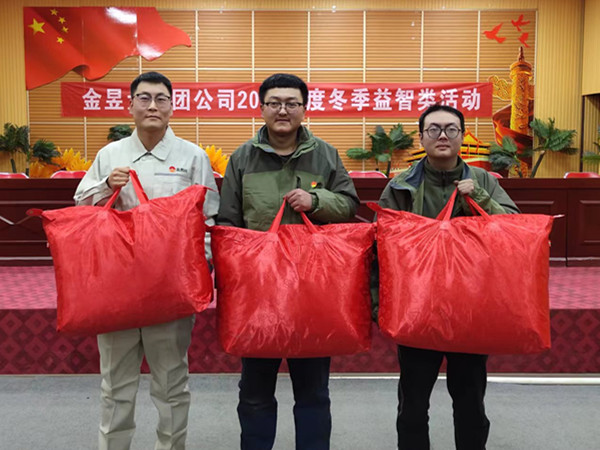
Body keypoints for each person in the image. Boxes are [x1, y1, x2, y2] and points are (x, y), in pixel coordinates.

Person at [74, 71, 219, 450]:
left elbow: (208, 220)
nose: (152, 105)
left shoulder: (192, 156)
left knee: (171, 385)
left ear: (172, 106)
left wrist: (195, 273)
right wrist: (105, 185)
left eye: (160, 98)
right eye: (144, 98)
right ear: (130, 105)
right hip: (116, 290)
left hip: (169, 290)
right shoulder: (110, 155)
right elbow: (80, 206)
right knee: (115, 386)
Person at [217, 73, 360, 450]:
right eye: (275, 103)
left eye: (292, 103)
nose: (283, 110)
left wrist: (317, 201)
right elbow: (228, 223)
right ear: (261, 108)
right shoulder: (242, 158)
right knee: (254, 391)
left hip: (312, 287)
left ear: (304, 108)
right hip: (259, 290)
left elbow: (349, 206)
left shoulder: (325, 155)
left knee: (313, 392)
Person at [376, 104, 520, 450]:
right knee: (413, 403)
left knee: (470, 401)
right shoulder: (401, 185)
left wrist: (478, 197)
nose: (442, 135)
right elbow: (382, 247)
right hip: (418, 307)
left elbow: (513, 230)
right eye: (434, 129)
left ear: (462, 136)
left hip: (470, 306)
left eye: (451, 129)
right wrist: (380, 304)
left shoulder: (484, 181)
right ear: (421, 137)